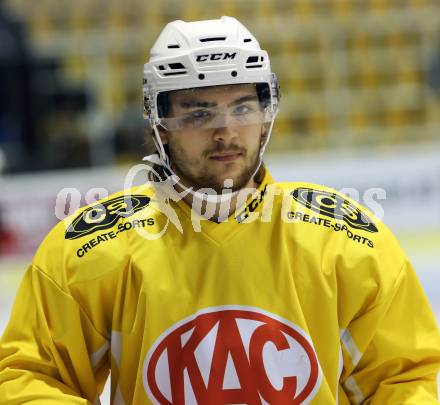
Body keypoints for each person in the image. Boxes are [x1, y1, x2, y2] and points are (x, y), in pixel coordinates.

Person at [0, 16, 439, 405]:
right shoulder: (93, 250)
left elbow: (407, 377)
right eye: (198, 112)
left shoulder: (345, 242)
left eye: (242, 107)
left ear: (267, 113)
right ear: (160, 124)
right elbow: (30, 376)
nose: (225, 131)